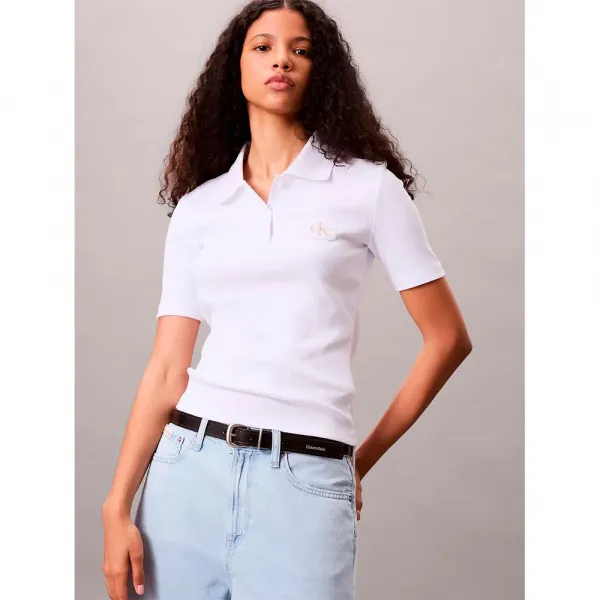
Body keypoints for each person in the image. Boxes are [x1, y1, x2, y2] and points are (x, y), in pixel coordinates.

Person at [101, 1, 472, 599]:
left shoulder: (369, 189)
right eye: (264, 47)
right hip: (184, 477)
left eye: (301, 50)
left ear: (322, 72)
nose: (282, 61)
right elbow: (168, 368)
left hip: (304, 481)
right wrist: (117, 504)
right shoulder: (200, 207)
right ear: (236, 67)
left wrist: (356, 461)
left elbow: (448, 338)